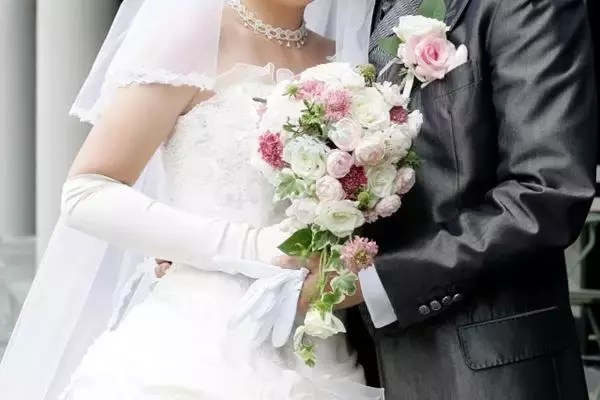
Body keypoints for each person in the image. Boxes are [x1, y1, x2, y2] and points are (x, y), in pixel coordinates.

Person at [0, 0, 385, 399]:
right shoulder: (191, 37)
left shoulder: (348, 64)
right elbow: (87, 192)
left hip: (320, 348)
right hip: (195, 342)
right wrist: (250, 246)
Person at [280, 0, 599, 398]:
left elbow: (547, 193)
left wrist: (378, 281)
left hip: (485, 370)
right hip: (343, 364)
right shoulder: (351, 11)